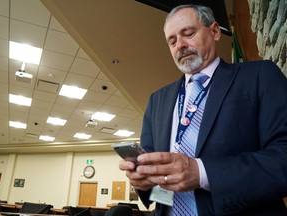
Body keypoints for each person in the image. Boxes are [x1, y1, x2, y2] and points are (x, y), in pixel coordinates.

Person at [119, 4, 287, 216]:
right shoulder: (157, 101)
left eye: (188, 33)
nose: (180, 45)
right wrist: (144, 182)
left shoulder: (260, 76)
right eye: (172, 41)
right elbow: (158, 191)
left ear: (215, 31)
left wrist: (201, 173)